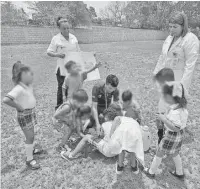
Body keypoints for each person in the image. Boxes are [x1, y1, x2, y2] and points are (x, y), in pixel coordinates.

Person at [61, 106, 144, 175]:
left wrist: (92, 135)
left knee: (87, 137)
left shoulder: (104, 125)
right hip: (118, 151)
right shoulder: (123, 125)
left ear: (106, 117)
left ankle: (71, 155)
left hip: (109, 151)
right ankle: (130, 166)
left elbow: (98, 135)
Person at [144, 82, 188, 179]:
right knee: (175, 153)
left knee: (159, 153)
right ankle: (179, 172)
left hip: (171, 135)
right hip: (179, 136)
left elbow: (175, 127)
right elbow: (180, 125)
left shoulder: (175, 112)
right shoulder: (182, 108)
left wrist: (163, 119)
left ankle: (151, 172)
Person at [3, 61, 42, 170]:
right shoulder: (19, 88)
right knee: (30, 136)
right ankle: (29, 159)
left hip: (30, 113)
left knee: (31, 135)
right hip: (24, 115)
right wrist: (18, 106)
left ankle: (31, 149)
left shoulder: (27, 85)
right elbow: (6, 99)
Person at [153, 11, 199, 93]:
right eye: (170, 26)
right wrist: (156, 73)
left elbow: (190, 66)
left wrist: (182, 86)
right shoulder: (169, 38)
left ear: (183, 26)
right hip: (166, 78)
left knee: (175, 104)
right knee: (164, 103)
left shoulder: (190, 40)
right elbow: (163, 57)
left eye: (175, 27)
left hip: (178, 79)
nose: (171, 29)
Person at [47, 17, 80, 110]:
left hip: (73, 69)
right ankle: (59, 108)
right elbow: (49, 52)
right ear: (59, 28)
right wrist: (57, 54)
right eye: (64, 28)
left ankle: (70, 106)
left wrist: (89, 56)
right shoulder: (56, 39)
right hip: (61, 68)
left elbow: (79, 51)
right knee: (62, 88)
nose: (66, 30)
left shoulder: (74, 37)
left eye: (68, 28)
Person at [154, 68, 175, 144]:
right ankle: (160, 142)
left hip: (168, 123)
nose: (158, 85)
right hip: (161, 117)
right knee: (160, 134)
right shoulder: (165, 91)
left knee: (166, 140)